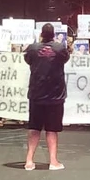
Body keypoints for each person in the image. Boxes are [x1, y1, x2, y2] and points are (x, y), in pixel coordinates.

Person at [23, 23, 70, 171]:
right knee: (52, 130)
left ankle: (29, 161)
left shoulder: (32, 48)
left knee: (34, 128)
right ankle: (53, 161)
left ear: (41, 34)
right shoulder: (60, 48)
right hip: (55, 95)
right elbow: (65, 59)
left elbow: (28, 60)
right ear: (54, 34)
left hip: (37, 94)